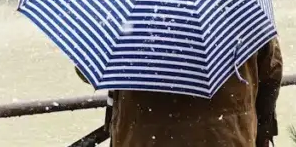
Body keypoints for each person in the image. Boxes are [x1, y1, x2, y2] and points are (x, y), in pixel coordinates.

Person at [75, 37, 283, 147]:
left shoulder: (131, 10)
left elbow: (89, 69)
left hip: (143, 138)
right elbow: (271, 73)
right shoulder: (241, 6)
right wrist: (260, 132)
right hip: (227, 137)